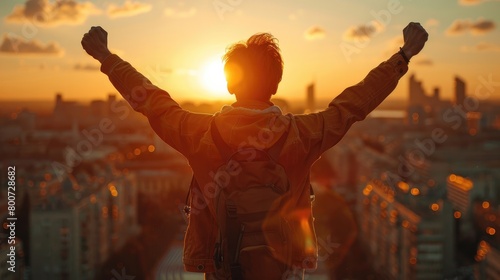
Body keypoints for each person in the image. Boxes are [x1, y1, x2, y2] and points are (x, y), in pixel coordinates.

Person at [81, 22, 428, 279]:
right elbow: (353, 104)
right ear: (276, 83)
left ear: (230, 83)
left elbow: (151, 100)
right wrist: (402, 56)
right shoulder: (302, 135)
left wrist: (106, 57)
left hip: (223, 271)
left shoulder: (198, 133)